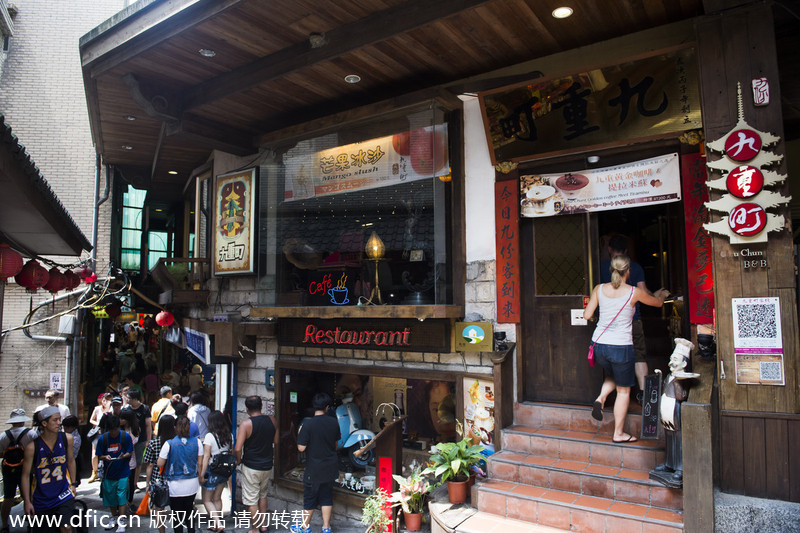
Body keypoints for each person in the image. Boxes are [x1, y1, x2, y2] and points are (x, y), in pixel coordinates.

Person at [584, 254, 668, 443]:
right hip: (620, 346)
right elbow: (657, 303)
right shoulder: (633, 292)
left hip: (598, 345)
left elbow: (587, 314)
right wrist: (661, 295)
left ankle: (601, 397)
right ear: (628, 271)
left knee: (613, 375)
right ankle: (618, 433)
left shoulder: (599, 288)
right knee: (623, 390)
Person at [600, 234, 664, 401]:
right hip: (632, 320)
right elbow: (644, 293)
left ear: (609, 249)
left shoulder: (601, 268)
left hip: (608, 325)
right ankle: (643, 393)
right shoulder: (635, 267)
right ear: (626, 251)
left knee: (613, 361)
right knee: (639, 356)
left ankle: (606, 396)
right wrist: (659, 296)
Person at [20, 406, 77, 533]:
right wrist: (27, 502)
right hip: (41, 497)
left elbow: (71, 461)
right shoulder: (32, 447)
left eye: (59, 419)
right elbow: (25, 475)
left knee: (67, 527)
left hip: (63, 493)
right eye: (55, 420)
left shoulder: (67, 439)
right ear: (44, 423)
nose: (59, 423)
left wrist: (73, 484)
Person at [291, 393, 340, 533]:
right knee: (326, 496)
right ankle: (326, 527)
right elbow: (335, 446)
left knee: (310, 498)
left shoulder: (308, 424)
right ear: (327, 407)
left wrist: (300, 433)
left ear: (314, 407)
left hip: (314, 468)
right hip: (330, 466)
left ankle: (305, 527)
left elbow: (301, 448)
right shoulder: (334, 423)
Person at [235, 396, 277, 533]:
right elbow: (276, 441)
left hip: (251, 466)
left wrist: (238, 460)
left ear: (247, 409)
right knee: (262, 495)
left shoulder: (246, 424)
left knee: (252, 499)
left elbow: (237, 448)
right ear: (261, 406)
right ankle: (263, 524)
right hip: (267, 465)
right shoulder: (271, 420)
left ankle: (255, 529)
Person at [157, 416, 202, 533]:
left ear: (175, 428)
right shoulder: (197, 442)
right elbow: (200, 464)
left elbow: (159, 463)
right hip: (192, 483)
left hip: (174, 484)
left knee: (177, 514)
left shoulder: (169, 444)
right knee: (189, 510)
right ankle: (191, 530)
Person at [95, 414, 134, 533]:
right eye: (111, 430)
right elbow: (98, 455)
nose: (113, 432)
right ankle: (114, 517)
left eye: (115, 429)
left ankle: (122, 520)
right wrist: (104, 457)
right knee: (111, 497)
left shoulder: (125, 437)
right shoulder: (103, 439)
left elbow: (130, 452)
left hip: (123, 472)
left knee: (121, 496)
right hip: (109, 473)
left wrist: (124, 456)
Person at [0, 408, 34, 533]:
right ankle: (31, 522)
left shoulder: (3, 436)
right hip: (26, 469)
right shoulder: (31, 434)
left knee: (8, 497)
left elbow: (0, 453)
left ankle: (4, 525)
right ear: (23, 421)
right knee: (28, 497)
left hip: (8, 470)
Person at [199, 411, 233, 533]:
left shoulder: (209, 436)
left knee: (207, 500)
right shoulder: (229, 435)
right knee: (217, 498)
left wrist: (202, 475)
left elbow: (206, 457)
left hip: (212, 470)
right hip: (223, 470)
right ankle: (215, 523)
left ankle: (217, 523)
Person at [143, 415, 175, 533]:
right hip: (174, 479)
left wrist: (147, 483)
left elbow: (150, 465)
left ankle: (162, 531)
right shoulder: (175, 443)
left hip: (158, 480)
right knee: (176, 508)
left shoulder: (153, 443)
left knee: (159, 508)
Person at [122, 388, 151, 495]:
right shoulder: (126, 408)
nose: (127, 399)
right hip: (127, 439)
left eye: (128, 398)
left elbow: (148, 425)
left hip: (141, 439)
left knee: (138, 462)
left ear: (135, 399)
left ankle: (134, 483)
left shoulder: (144, 409)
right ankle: (127, 482)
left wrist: (148, 440)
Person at [118, 410, 140, 514]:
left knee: (131, 483)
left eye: (123, 418)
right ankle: (121, 503)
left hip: (131, 460)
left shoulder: (135, 430)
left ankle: (130, 501)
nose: (121, 420)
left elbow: (132, 443)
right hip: (119, 460)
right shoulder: (118, 430)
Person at [89, 393, 113, 482]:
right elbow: (91, 419)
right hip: (98, 433)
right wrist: (98, 424)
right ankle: (94, 472)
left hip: (108, 434)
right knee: (94, 454)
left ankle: (106, 471)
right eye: (104, 400)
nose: (105, 402)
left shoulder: (111, 409)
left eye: (108, 400)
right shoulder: (97, 409)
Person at [61, 415, 82, 486]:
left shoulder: (75, 438)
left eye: (67, 427)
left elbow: (71, 456)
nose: (65, 429)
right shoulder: (64, 435)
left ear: (73, 427)